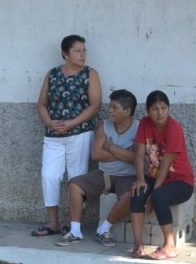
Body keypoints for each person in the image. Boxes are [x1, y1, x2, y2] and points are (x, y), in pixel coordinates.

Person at [32, 34, 101, 237]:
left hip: (79, 134)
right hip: (53, 136)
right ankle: (52, 222)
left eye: (84, 50)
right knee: (49, 176)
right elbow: (42, 103)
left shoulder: (90, 74)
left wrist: (71, 123)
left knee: (76, 178)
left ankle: (71, 221)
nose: (82, 54)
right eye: (77, 51)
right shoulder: (52, 74)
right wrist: (48, 122)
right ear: (65, 53)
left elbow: (95, 105)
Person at [56, 89, 138, 247]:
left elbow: (136, 158)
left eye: (114, 108)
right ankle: (75, 231)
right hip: (104, 173)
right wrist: (124, 153)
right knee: (74, 184)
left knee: (131, 195)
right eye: (110, 107)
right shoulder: (104, 126)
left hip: (127, 177)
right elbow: (96, 154)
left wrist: (111, 148)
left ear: (127, 111)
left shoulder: (139, 128)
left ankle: (103, 229)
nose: (110, 111)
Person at [129, 90, 195, 260]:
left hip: (181, 181)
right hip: (153, 176)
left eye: (164, 108)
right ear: (148, 111)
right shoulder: (144, 124)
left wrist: (154, 194)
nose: (160, 113)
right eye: (155, 109)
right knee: (138, 193)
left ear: (168, 109)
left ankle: (169, 246)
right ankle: (137, 245)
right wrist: (140, 179)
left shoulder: (174, 128)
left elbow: (165, 165)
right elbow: (139, 153)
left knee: (158, 196)